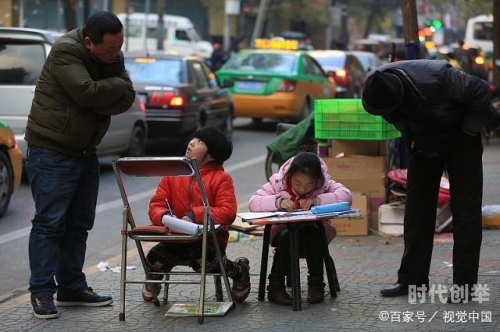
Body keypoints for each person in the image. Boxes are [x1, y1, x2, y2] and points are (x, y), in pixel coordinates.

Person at [24, 11, 136, 319]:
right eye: (111, 49)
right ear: (88, 42)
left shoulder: (110, 54)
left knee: (79, 223)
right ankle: (42, 291)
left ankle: (72, 287)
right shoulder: (65, 51)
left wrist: (100, 92)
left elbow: (127, 97)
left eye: (119, 47)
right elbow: (86, 92)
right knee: (50, 223)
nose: (117, 54)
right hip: (52, 150)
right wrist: (102, 92)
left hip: (86, 151)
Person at [361, 59, 500, 302]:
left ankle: (464, 286)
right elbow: (395, 118)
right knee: (416, 209)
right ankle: (411, 279)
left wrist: (469, 130)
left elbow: (480, 91)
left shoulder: (437, 77)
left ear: (401, 94)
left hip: (461, 132)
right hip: (423, 136)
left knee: (465, 210)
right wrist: (413, 137)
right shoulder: (376, 90)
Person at [142, 127, 251, 303]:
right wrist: (164, 217)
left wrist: (195, 215)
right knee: (154, 257)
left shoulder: (222, 179)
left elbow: (228, 212)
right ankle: (153, 279)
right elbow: (157, 203)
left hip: (207, 240)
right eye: (194, 138)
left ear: (211, 156)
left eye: (200, 142)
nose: (192, 142)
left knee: (206, 262)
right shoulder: (173, 173)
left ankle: (239, 272)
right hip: (175, 238)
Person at [248, 152, 352, 305]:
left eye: (309, 185)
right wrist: (278, 202)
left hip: (315, 234)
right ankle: (275, 287)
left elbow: (346, 196)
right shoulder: (278, 183)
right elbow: (254, 202)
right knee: (289, 236)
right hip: (282, 233)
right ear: (289, 177)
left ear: (317, 180)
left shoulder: (324, 185)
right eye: (297, 183)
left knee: (311, 233)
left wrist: (317, 200)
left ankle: (316, 285)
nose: (303, 189)